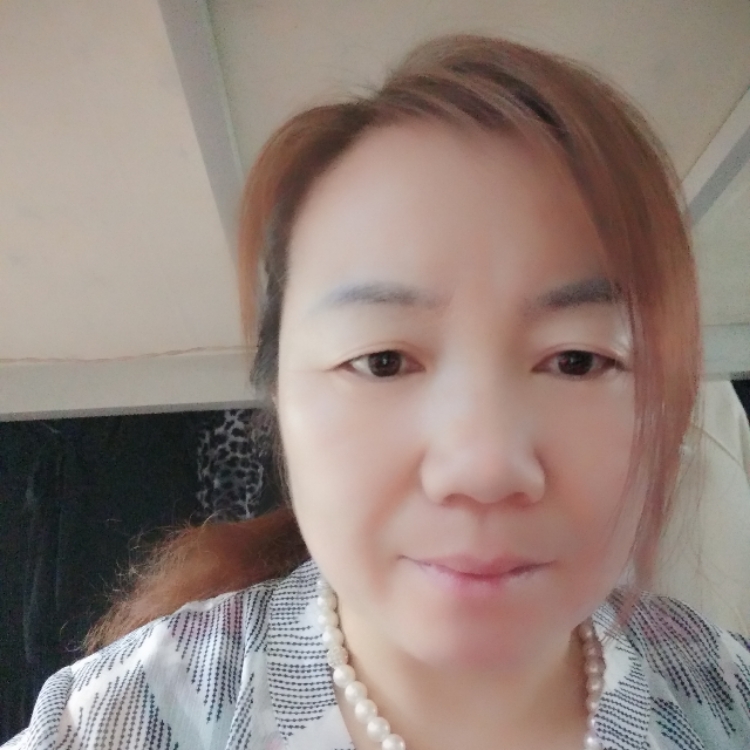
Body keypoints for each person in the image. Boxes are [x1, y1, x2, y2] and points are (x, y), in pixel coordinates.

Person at [4, 34, 749, 750]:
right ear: (278, 399)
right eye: (384, 361)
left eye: (578, 361)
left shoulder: (727, 699)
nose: (482, 468)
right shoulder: (118, 724)